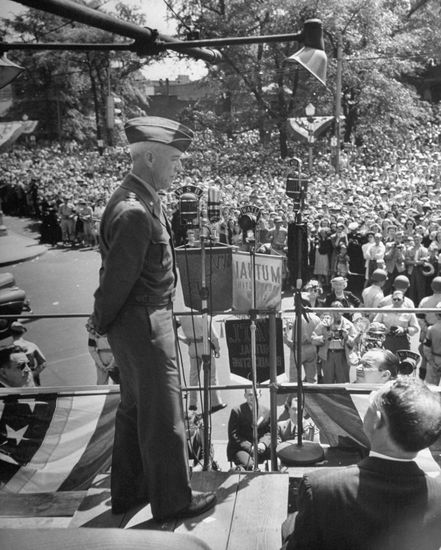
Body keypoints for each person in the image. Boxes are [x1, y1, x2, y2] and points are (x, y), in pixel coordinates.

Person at [89, 116, 216, 520]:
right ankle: (173, 501)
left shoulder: (138, 199)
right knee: (164, 416)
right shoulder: (134, 211)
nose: (179, 170)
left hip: (140, 322)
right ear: (148, 157)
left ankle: (130, 492)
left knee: (133, 411)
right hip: (145, 323)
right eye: (174, 161)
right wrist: (99, 322)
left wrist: (106, 324)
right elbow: (117, 280)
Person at [282, 377, 441, 550]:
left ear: (376, 420)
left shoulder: (322, 488)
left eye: (370, 406)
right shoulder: (437, 495)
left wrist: (290, 526)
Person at [177, 308, 226, 414]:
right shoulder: (203, 316)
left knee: (193, 376)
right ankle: (215, 403)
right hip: (204, 346)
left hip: (192, 346)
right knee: (211, 376)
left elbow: (171, 328)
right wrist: (217, 349)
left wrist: (181, 338)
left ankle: (192, 403)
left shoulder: (182, 316)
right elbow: (214, 337)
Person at [311, 301, 358, 383]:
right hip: (327, 355)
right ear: (330, 311)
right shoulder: (324, 324)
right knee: (328, 382)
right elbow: (313, 339)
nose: (337, 313)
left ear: (343, 312)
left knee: (343, 382)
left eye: (339, 310)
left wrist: (347, 337)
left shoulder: (348, 324)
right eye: (334, 310)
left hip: (343, 356)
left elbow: (355, 343)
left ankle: (343, 396)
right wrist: (324, 338)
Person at [227, 388, 271, 470]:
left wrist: (263, 444)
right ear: (245, 396)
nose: (253, 397)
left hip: (260, 447)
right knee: (249, 465)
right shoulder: (237, 411)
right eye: (250, 395)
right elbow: (233, 435)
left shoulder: (267, 411)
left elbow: (270, 432)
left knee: (277, 458)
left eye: (256, 395)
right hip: (241, 449)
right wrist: (251, 447)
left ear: (260, 395)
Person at [373, 290, 419, 354]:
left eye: (398, 299)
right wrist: (383, 327)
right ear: (391, 299)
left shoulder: (409, 312)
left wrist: (404, 330)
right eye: (394, 299)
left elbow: (416, 328)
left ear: (403, 300)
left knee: (402, 361)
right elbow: (375, 323)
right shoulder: (384, 310)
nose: (396, 301)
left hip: (402, 340)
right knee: (386, 361)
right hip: (386, 339)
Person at [10, 321, 46, 386]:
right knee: (36, 394)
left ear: (11, 333)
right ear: (23, 332)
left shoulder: (9, 349)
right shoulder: (32, 345)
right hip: (32, 378)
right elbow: (43, 363)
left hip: (17, 379)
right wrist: (33, 374)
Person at [423, 302, 441, 386]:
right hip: (435, 357)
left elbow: (426, 348)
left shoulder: (432, 329)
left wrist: (431, 361)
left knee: (431, 388)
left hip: (435, 359)